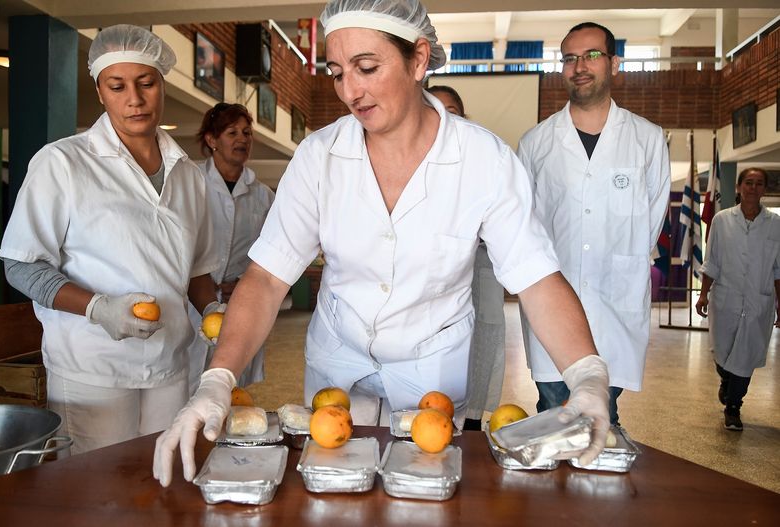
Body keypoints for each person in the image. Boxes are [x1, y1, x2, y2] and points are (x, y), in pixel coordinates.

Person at [153, 0, 611, 487]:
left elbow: (536, 278)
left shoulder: (484, 161)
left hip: (430, 365)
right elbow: (267, 277)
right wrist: (218, 379)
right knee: (333, 488)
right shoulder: (319, 157)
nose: (350, 90)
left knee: (423, 487)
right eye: (336, 72)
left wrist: (586, 375)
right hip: (339, 354)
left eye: (367, 67)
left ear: (418, 60)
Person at [0, 25, 219, 456]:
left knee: (160, 486)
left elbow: (197, 269)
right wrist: (99, 308)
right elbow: (21, 265)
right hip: (91, 367)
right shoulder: (63, 163)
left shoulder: (189, 175)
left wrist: (212, 308)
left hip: (170, 366)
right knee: (96, 498)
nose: (134, 99)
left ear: (162, 84)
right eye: (117, 86)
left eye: (146, 83)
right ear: (100, 91)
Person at [517, 22, 670, 426]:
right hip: (551, 308)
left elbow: (650, 223)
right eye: (569, 58)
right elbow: (524, 230)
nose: (579, 66)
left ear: (614, 63)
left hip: (613, 306)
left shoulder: (647, 140)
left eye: (591, 55)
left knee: (603, 412)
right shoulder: (535, 144)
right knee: (555, 410)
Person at [428, 84, 506, 431]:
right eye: (435, 109)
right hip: (433, 290)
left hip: (480, 275)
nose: (444, 117)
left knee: (479, 352)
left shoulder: (485, 162)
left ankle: (472, 423)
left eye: (453, 111)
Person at [187, 103, 276, 393]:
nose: (242, 139)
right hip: (190, 302)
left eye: (247, 133)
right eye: (232, 132)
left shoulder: (263, 196)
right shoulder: (189, 182)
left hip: (240, 299)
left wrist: (243, 283)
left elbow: (272, 250)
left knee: (232, 389)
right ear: (212, 140)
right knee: (186, 382)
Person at [696, 167, 780, 431]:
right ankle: (726, 379)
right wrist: (703, 294)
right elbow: (712, 262)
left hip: (758, 302)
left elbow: (778, 268)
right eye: (748, 182)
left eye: (758, 184)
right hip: (726, 298)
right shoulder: (721, 220)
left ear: (763, 189)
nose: (752, 188)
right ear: (739, 187)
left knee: (745, 356)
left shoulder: (775, 225)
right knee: (722, 353)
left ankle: (734, 407)